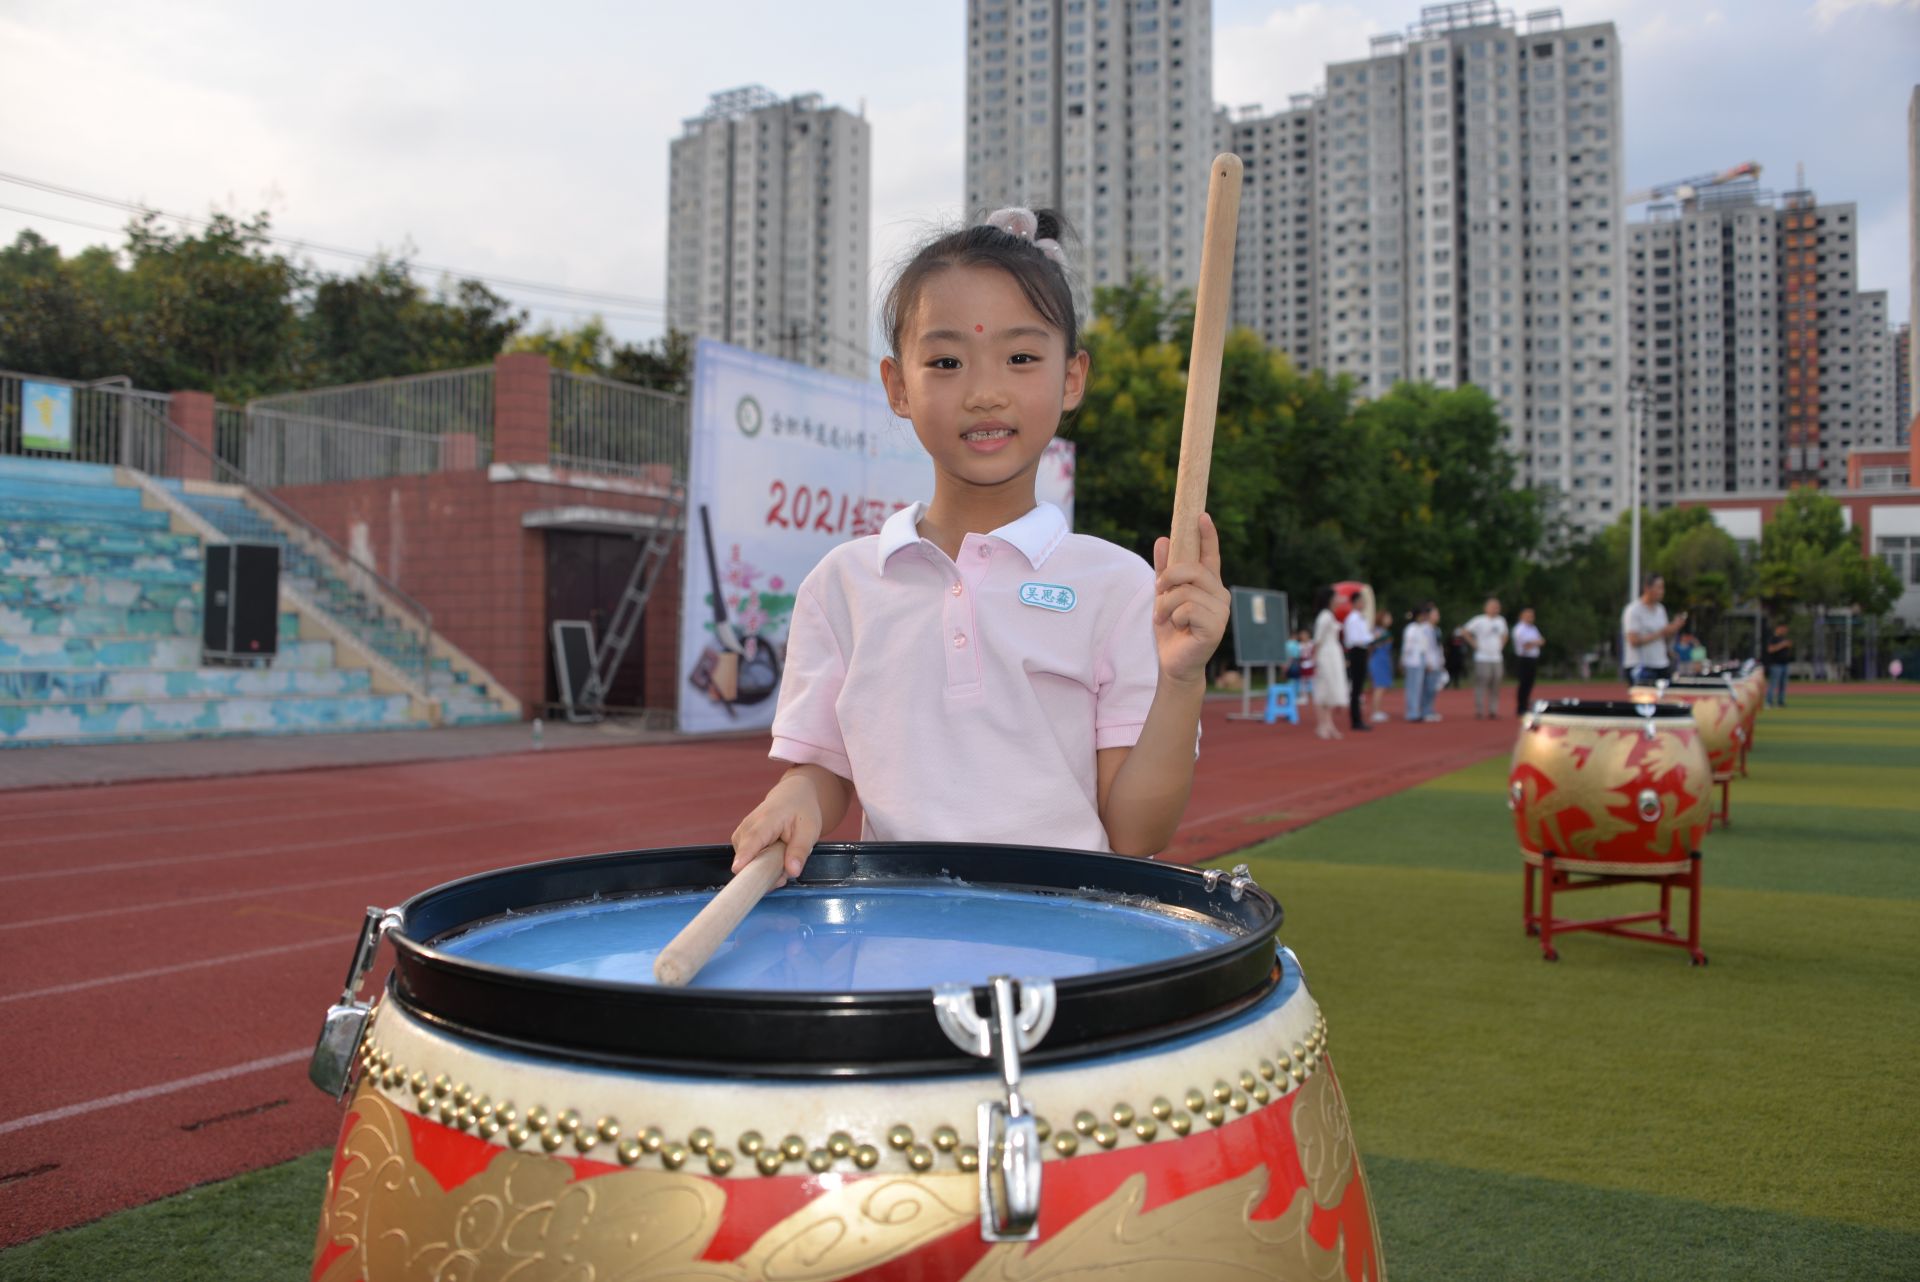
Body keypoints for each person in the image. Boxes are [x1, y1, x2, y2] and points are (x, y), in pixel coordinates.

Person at [730, 208, 1230, 880]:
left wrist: (1182, 679)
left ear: (1072, 378)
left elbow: (1139, 831)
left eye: (1021, 358)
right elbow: (820, 771)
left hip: (1065, 933)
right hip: (898, 931)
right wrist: (795, 795)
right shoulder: (841, 585)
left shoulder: (1120, 586)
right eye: (946, 362)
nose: (986, 393)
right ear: (897, 386)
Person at [1621, 574, 1687, 688]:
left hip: (1661, 663)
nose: (1662, 591)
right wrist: (1661, 632)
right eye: (1659, 587)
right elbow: (1633, 640)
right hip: (1640, 665)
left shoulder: (1661, 610)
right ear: (1647, 588)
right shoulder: (1633, 610)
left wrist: (1673, 629)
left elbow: (1664, 638)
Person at [1309, 586, 1351, 741]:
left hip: (1333, 655)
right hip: (1325, 656)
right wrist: (1315, 659)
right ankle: (1322, 725)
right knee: (1323, 689)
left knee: (1331, 690)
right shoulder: (1325, 617)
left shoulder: (1330, 615)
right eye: (1335, 597)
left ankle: (1328, 723)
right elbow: (1318, 640)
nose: (1338, 600)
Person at [1462, 597, 1509, 720]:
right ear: (1486, 608)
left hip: (1497, 657)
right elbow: (1465, 631)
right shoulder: (1479, 620)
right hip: (1482, 657)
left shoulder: (1501, 620)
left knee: (1496, 683)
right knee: (1482, 682)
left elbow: (1505, 634)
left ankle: (1493, 710)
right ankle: (1479, 710)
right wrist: (1474, 644)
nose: (1495, 609)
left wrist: (1501, 645)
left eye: (1497, 607)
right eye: (1492, 607)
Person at [1401, 602, 1444, 723]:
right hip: (1413, 661)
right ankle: (1413, 712)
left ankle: (1417, 711)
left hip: (1420, 660)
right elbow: (1408, 646)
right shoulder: (1412, 628)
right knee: (1413, 688)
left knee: (1419, 688)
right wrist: (1403, 660)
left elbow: (1425, 647)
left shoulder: (1421, 628)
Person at [1342, 594, 1375, 733]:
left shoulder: (1360, 618)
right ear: (1355, 603)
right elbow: (1355, 639)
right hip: (1356, 651)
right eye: (1362, 601)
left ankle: (1357, 718)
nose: (1364, 604)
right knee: (1356, 687)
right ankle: (1356, 720)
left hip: (1361, 651)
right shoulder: (1353, 619)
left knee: (1358, 687)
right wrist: (1372, 638)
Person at [1513, 606, 1544, 716]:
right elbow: (1525, 645)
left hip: (1533, 658)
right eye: (1528, 615)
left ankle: (1525, 705)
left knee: (1530, 683)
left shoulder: (1533, 628)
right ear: (1522, 616)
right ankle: (1520, 707)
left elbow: (1541, 641)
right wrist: (1535, 642)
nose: (1530, 617)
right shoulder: (1519, 629)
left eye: (1532, 616)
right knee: (1523, 683)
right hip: (1524, 658)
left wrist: (1533, 642)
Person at [1366, 609, 1396, 724]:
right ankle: (1375, 712)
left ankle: (1378, 710)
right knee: (1378, 687)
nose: (1390, 619)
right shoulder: (1377, 631)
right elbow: (1371, 645)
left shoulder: (1385, 632)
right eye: (1387, 617)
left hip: (1384, 661)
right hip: (1377, 661)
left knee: (1382, 687)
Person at [1765, 621, 1794, 707]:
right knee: (1773, 684)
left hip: (1784, 664)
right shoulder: (1773, 638)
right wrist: (1782, 645)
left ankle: (1780, 702)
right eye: (1784, 629)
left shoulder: (1783, 638)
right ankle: (1769, 701)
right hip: (1776, 664)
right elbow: (1770, 649)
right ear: (1779, 628)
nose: (1785, 631)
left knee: (1783, 685)